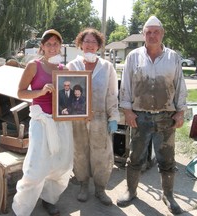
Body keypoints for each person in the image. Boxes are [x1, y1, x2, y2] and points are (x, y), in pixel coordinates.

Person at [117, 16, 187, 215]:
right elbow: (127, 86)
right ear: (143, 34)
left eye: (156, 31)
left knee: (167, 159)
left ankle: (168, 195)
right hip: (140, 117)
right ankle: (131, 191)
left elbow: (180, 86)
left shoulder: (173, 57)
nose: (152, 35)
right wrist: (128, 111)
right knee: (135, 157)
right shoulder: (133, 57)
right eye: (148, 32)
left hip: (167, 117)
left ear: (162, 34)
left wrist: (180, 112)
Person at [12, 29, 74, 216]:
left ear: (60, 46)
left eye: (56, 44)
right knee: (36, 167)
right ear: (42, 47)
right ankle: (21, 208)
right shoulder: (34, 65)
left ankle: (49, 199)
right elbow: (21, 92)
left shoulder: (65, 70)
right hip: (40, 119)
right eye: (49, 44)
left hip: (61, 121)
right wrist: (40, 92)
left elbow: (72, 100)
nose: (52, 47)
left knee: (62, 164)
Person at [66, 28, 120, 205]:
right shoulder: (72, 66)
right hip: (77, 118)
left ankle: (100, 189)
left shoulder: (107, 67)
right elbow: (64, 93)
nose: (89, 45)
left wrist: (113, 117)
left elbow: (112, 93)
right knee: (80, 152)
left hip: (99, 118)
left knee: (101, 154)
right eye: (86, 41)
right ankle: (83, 184)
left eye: (93, 42)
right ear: (80, 44)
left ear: (99, 46)